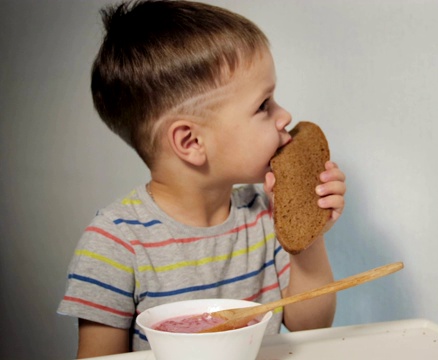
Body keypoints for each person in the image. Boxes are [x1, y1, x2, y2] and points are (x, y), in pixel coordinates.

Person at [57, 1, 346, 358]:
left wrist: (308, 237)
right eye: (263, 105)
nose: (284, 114)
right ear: (192, 143)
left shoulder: (264, 213)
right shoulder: (115, 244)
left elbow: (311, 326)